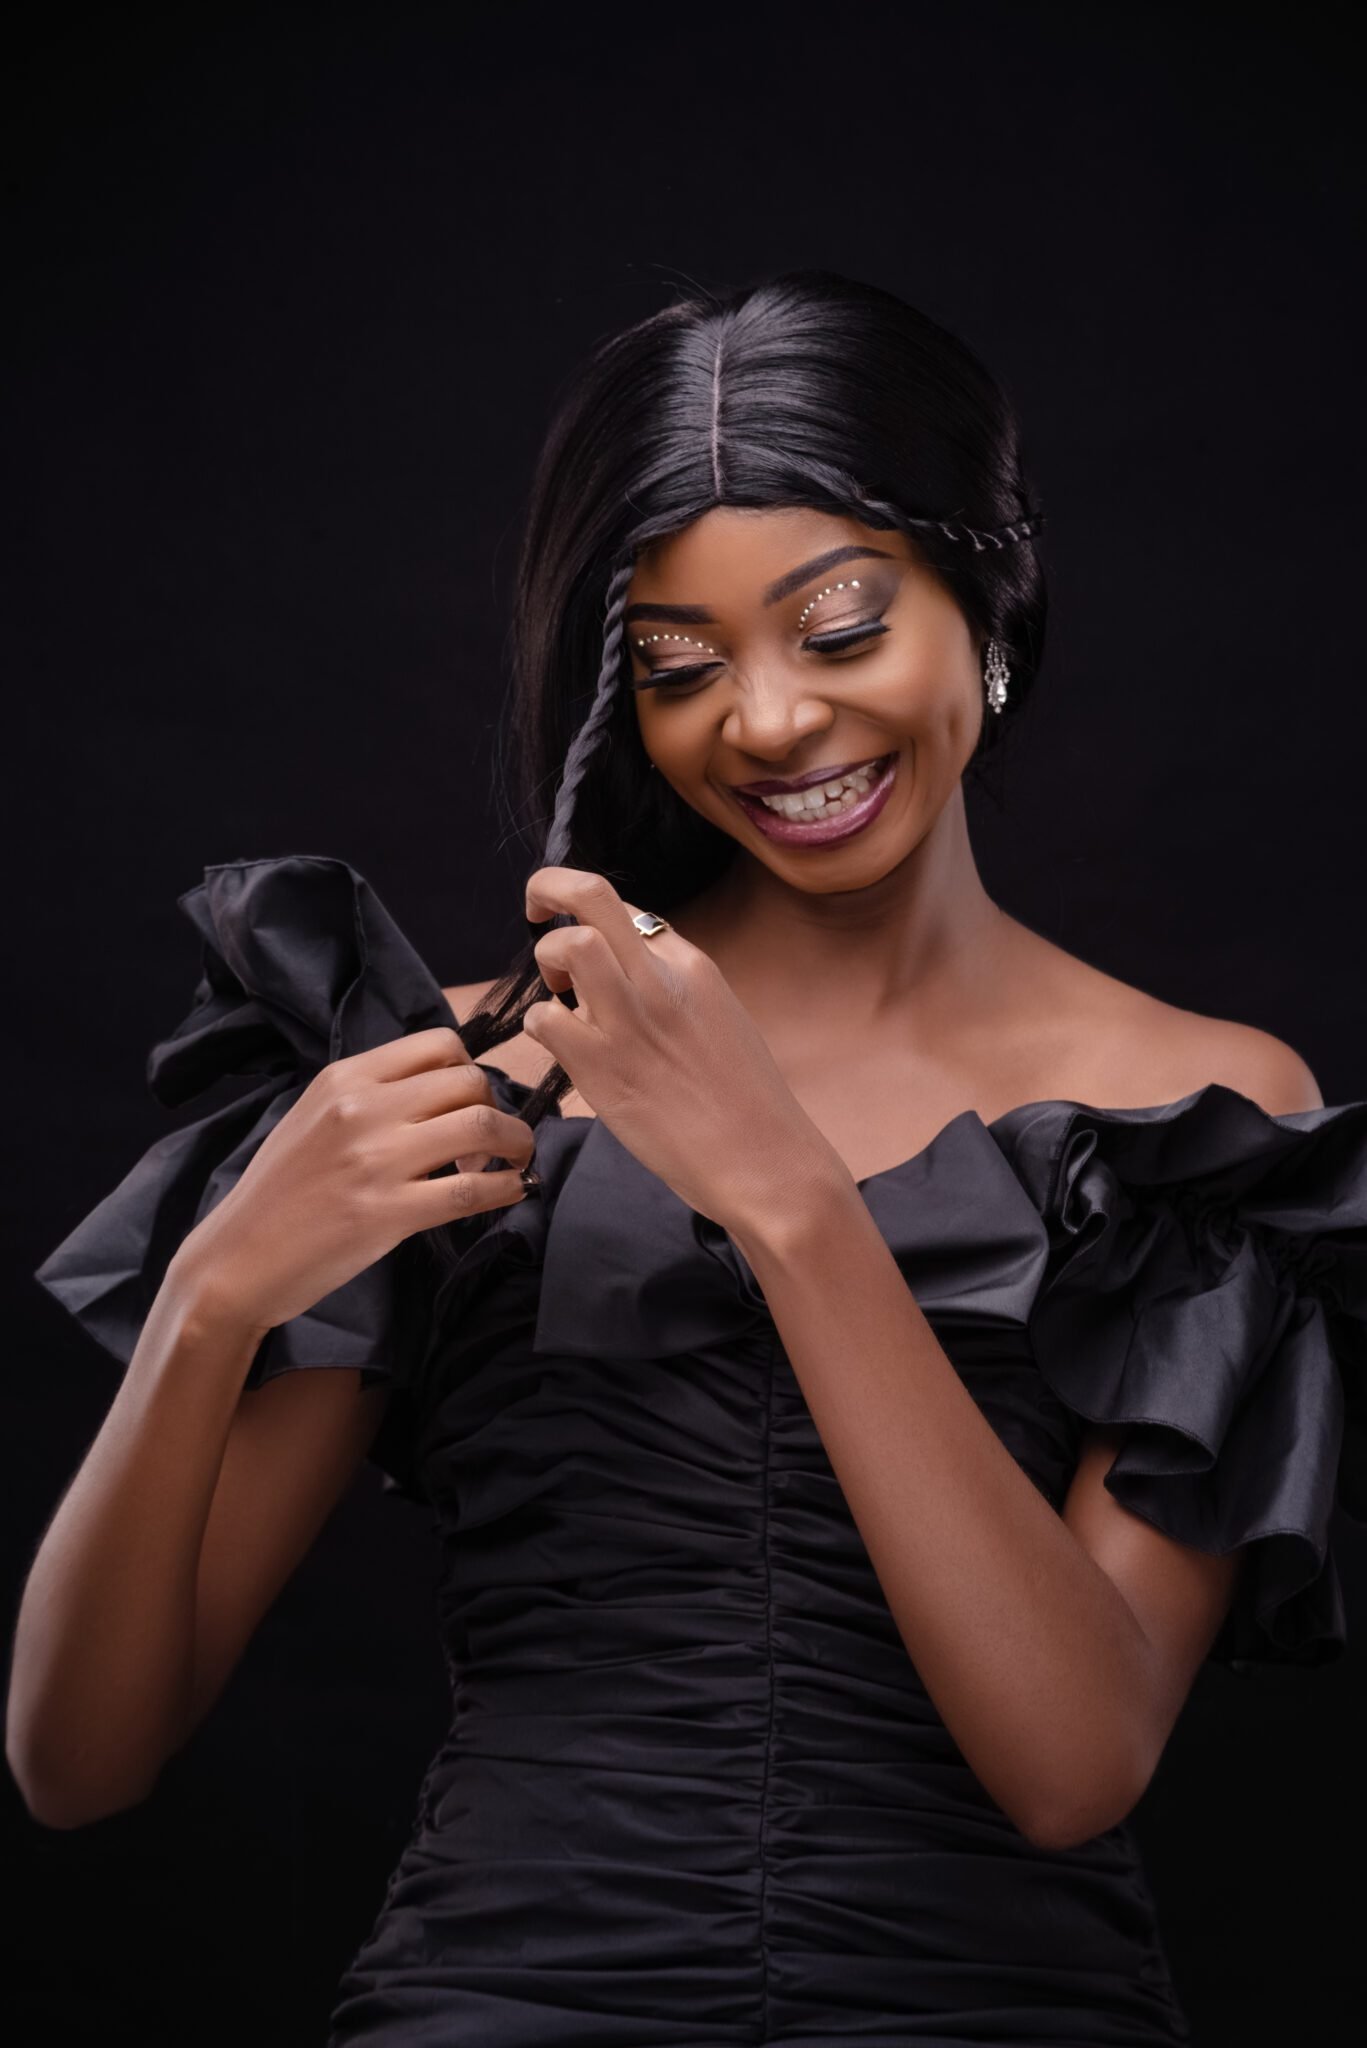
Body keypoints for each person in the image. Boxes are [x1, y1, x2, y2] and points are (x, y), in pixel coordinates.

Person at [11, 269, 1367, 2047]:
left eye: (841, 626)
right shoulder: (462, 1073)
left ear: (992, 601)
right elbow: (77, 1764)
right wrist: (207, 1300)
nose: (771, 722)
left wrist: (787, 1197)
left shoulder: (1198, 1109)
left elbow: (1075, 1762)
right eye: (680, 664)